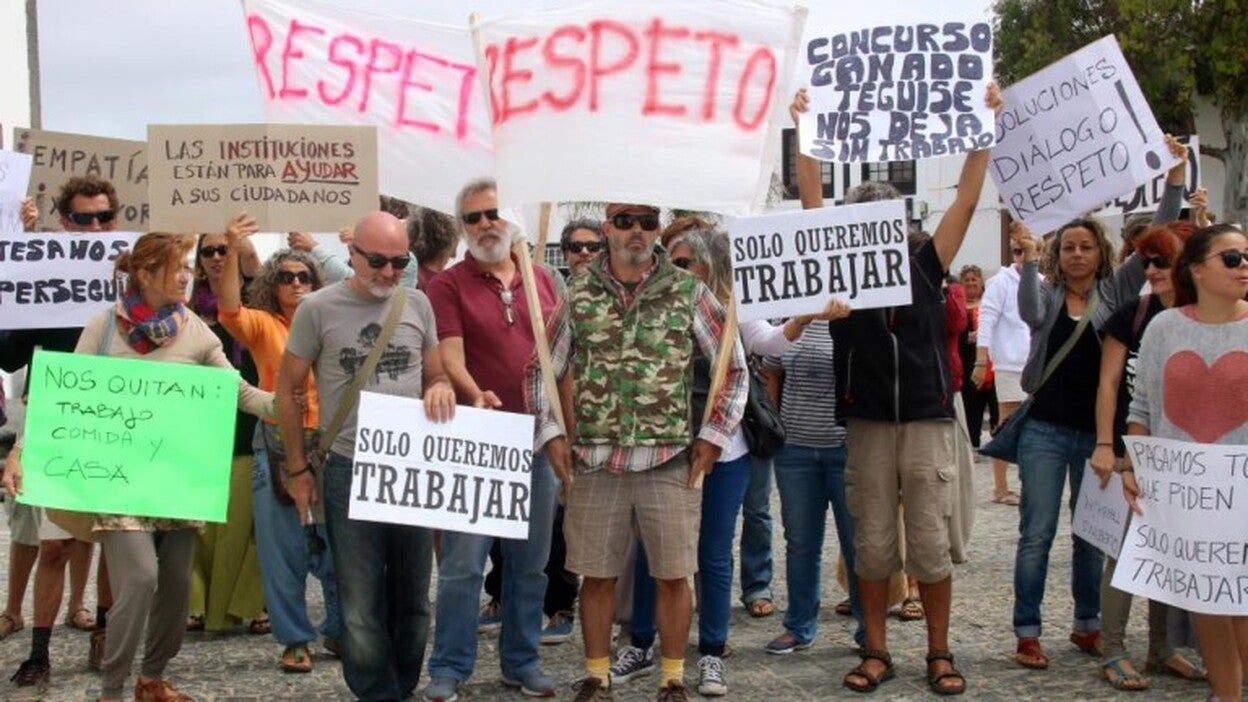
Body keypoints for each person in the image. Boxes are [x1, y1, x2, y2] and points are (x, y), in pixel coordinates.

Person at [4, 231, 275, 702]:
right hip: (120, 482)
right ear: (146, 274)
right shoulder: (104, 327)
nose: (187, 274)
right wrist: (21, 450)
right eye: (178, 267)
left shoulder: (194, 329)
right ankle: (112, 688)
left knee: (172, 585)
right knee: (142, 577)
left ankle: (152, 676)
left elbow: (239, 392)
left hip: (178, 482)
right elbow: (65, 397)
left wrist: (290, 405)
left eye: (188, 265)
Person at [795, 82, 1001, 695]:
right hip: (866, 422)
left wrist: (984, 126)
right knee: (874, 542)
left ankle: (940, 652)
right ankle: (876, 650)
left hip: (927, 417)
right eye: (860, 220)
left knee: (932, 543)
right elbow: (811, 202)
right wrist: (804, 132)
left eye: (883, 220)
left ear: (900, 223)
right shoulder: (837, 270)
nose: (874, 231)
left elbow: (967, 197)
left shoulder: (928, 261)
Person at [527, 202, 748, 702]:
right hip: (597, 460)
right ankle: (597, 675)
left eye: (648, 222)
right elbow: (542, 367)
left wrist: (715, 435)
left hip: (668, 458)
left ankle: (672, 678)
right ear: (608, 228)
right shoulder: (578, 293)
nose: (636, 231)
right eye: (625, 221)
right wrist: (552, 434)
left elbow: (732, 365)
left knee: (673, 574)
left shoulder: (687, 291)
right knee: (597, 575)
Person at [1009, 135, 1188, 671]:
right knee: (1037, 532)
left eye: (1086, 246)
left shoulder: (1117, 290)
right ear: (1059, 254)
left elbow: (1158, 234)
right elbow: (1027, 310)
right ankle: (1027, 631)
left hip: (1096, 433)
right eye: (1069, 247)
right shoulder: (1043, 292)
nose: (1078, 254)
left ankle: (1088, 625)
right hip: (1043, 430)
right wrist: (1028, 260)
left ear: (1102, 252)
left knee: (1093, 533)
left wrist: (1175, 176)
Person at [276, 210, 456, 701]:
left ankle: (401, 686)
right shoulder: (317, 308)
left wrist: (440, 387)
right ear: (352, 254)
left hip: (410, 470)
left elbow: (436, 373)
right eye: (377, 261)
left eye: (399, 262)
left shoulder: (417, 303)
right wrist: (297, 468)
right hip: (350, 468)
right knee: (359, 602)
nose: (388, 273)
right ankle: (375, 692)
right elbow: (286, 390)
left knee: (415, 596)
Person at [421, 178, 563, 701]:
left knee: (529, 566)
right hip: (478, 441)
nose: (485, 224)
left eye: (493, 213)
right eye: (473, 217)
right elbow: (449, 354)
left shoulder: (544, 279)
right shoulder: (448, 285)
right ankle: (449, 668)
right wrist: (471, 390)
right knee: (462, 566)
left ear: (511, 218)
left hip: (536, 440)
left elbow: (564, 357)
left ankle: (521, 661)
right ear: (462, 227)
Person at [0, 175, 122, 686]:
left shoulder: (131, 274)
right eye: (82, 218)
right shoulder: (39, 276)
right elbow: (7, 356)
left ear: (114, 221)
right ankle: (40, 650)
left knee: (116, 535)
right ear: (63, 223)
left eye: (103, 218)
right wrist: (19, 264)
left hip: (120, 414)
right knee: (53, 543)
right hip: (56, 416)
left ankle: (105, 633)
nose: (93, 227)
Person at [1122, 223, 1248, 702]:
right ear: (1196, 269)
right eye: (1231, 258)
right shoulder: (1164, 328)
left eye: (1246, 256)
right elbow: (1142, 408)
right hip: (1190, 500)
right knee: (1209, 605)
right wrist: (1133, 466)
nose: (1243, 266)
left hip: (1242, 496)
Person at [216, 214, 343, 673]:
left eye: (304, 276)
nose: (296, 283)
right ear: (273, 284)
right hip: (276, 438)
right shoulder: (262, 324)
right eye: (286, 277)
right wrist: (232, 248)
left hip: (329, 441)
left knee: (337, 542)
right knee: (281, 545)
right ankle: (293, 639)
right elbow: (228, 308)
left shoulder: (333, 320)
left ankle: (341, 629)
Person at [1088, 221, 1205, 691]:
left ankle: (1161, 649)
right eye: (1145, 260)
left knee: (1169, 553)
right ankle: (1113, 649)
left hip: (1188, 457)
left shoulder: (1205, 315)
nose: (1151, 269)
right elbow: (1108, 384)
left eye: (1162, 260)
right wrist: (1104, 445)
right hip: (1130, 452)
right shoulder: (1133, 315)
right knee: (1124, 553)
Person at [185, 224, 267, 635]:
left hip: (247, 422)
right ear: (198, 262)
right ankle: (197, 602)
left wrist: (239, 243)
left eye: (225, 250)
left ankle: (250, 604)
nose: (218, 257)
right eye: (211, 251)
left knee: (245, 520)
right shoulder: (184, 312)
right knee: (201, 523)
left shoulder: (256, 307)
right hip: (201, 425)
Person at [973, 245, 1029, 505]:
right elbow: (986, 320)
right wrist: (982, 359)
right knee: (1007, 424)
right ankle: (1000, 486)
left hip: (1035, 364)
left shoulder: (1042, 280)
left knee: (1035, 428)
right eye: (1019, 251)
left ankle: (1028, 482)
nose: (1024, 256)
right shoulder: (1000, 282)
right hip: (1009, 362)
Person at [957, 265, 998, 450]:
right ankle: (972, 445)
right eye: (967, 280)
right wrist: (966, 337)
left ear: (981, 282)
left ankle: (999, 443)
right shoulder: (959, 308)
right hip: (968, 363)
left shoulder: (990, 304)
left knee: (997, 406)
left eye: (974, 279)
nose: (971, 283)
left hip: (993, 364)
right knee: (971, 407)